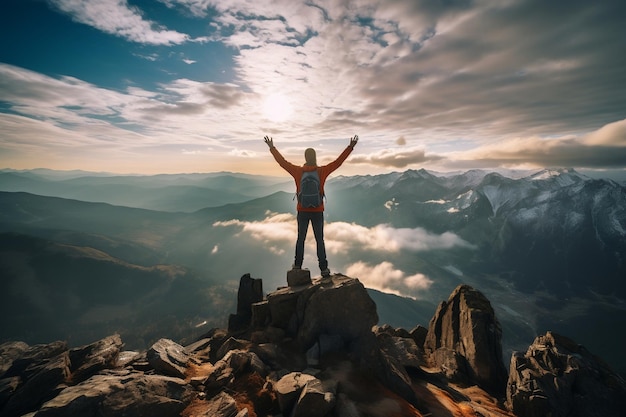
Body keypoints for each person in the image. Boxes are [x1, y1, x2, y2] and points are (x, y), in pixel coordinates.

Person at [263, 134, 358, 277]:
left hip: (302, 210)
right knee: (320, 240)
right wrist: (350, 147)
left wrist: (272, 147)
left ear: (305, 158)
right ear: (315, 157)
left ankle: (297, 266)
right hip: (317, 210)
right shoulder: (321, 172)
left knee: (300, 238)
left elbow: (282, 162)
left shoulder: (298, 171)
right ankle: (324, 269)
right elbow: (338, 162)